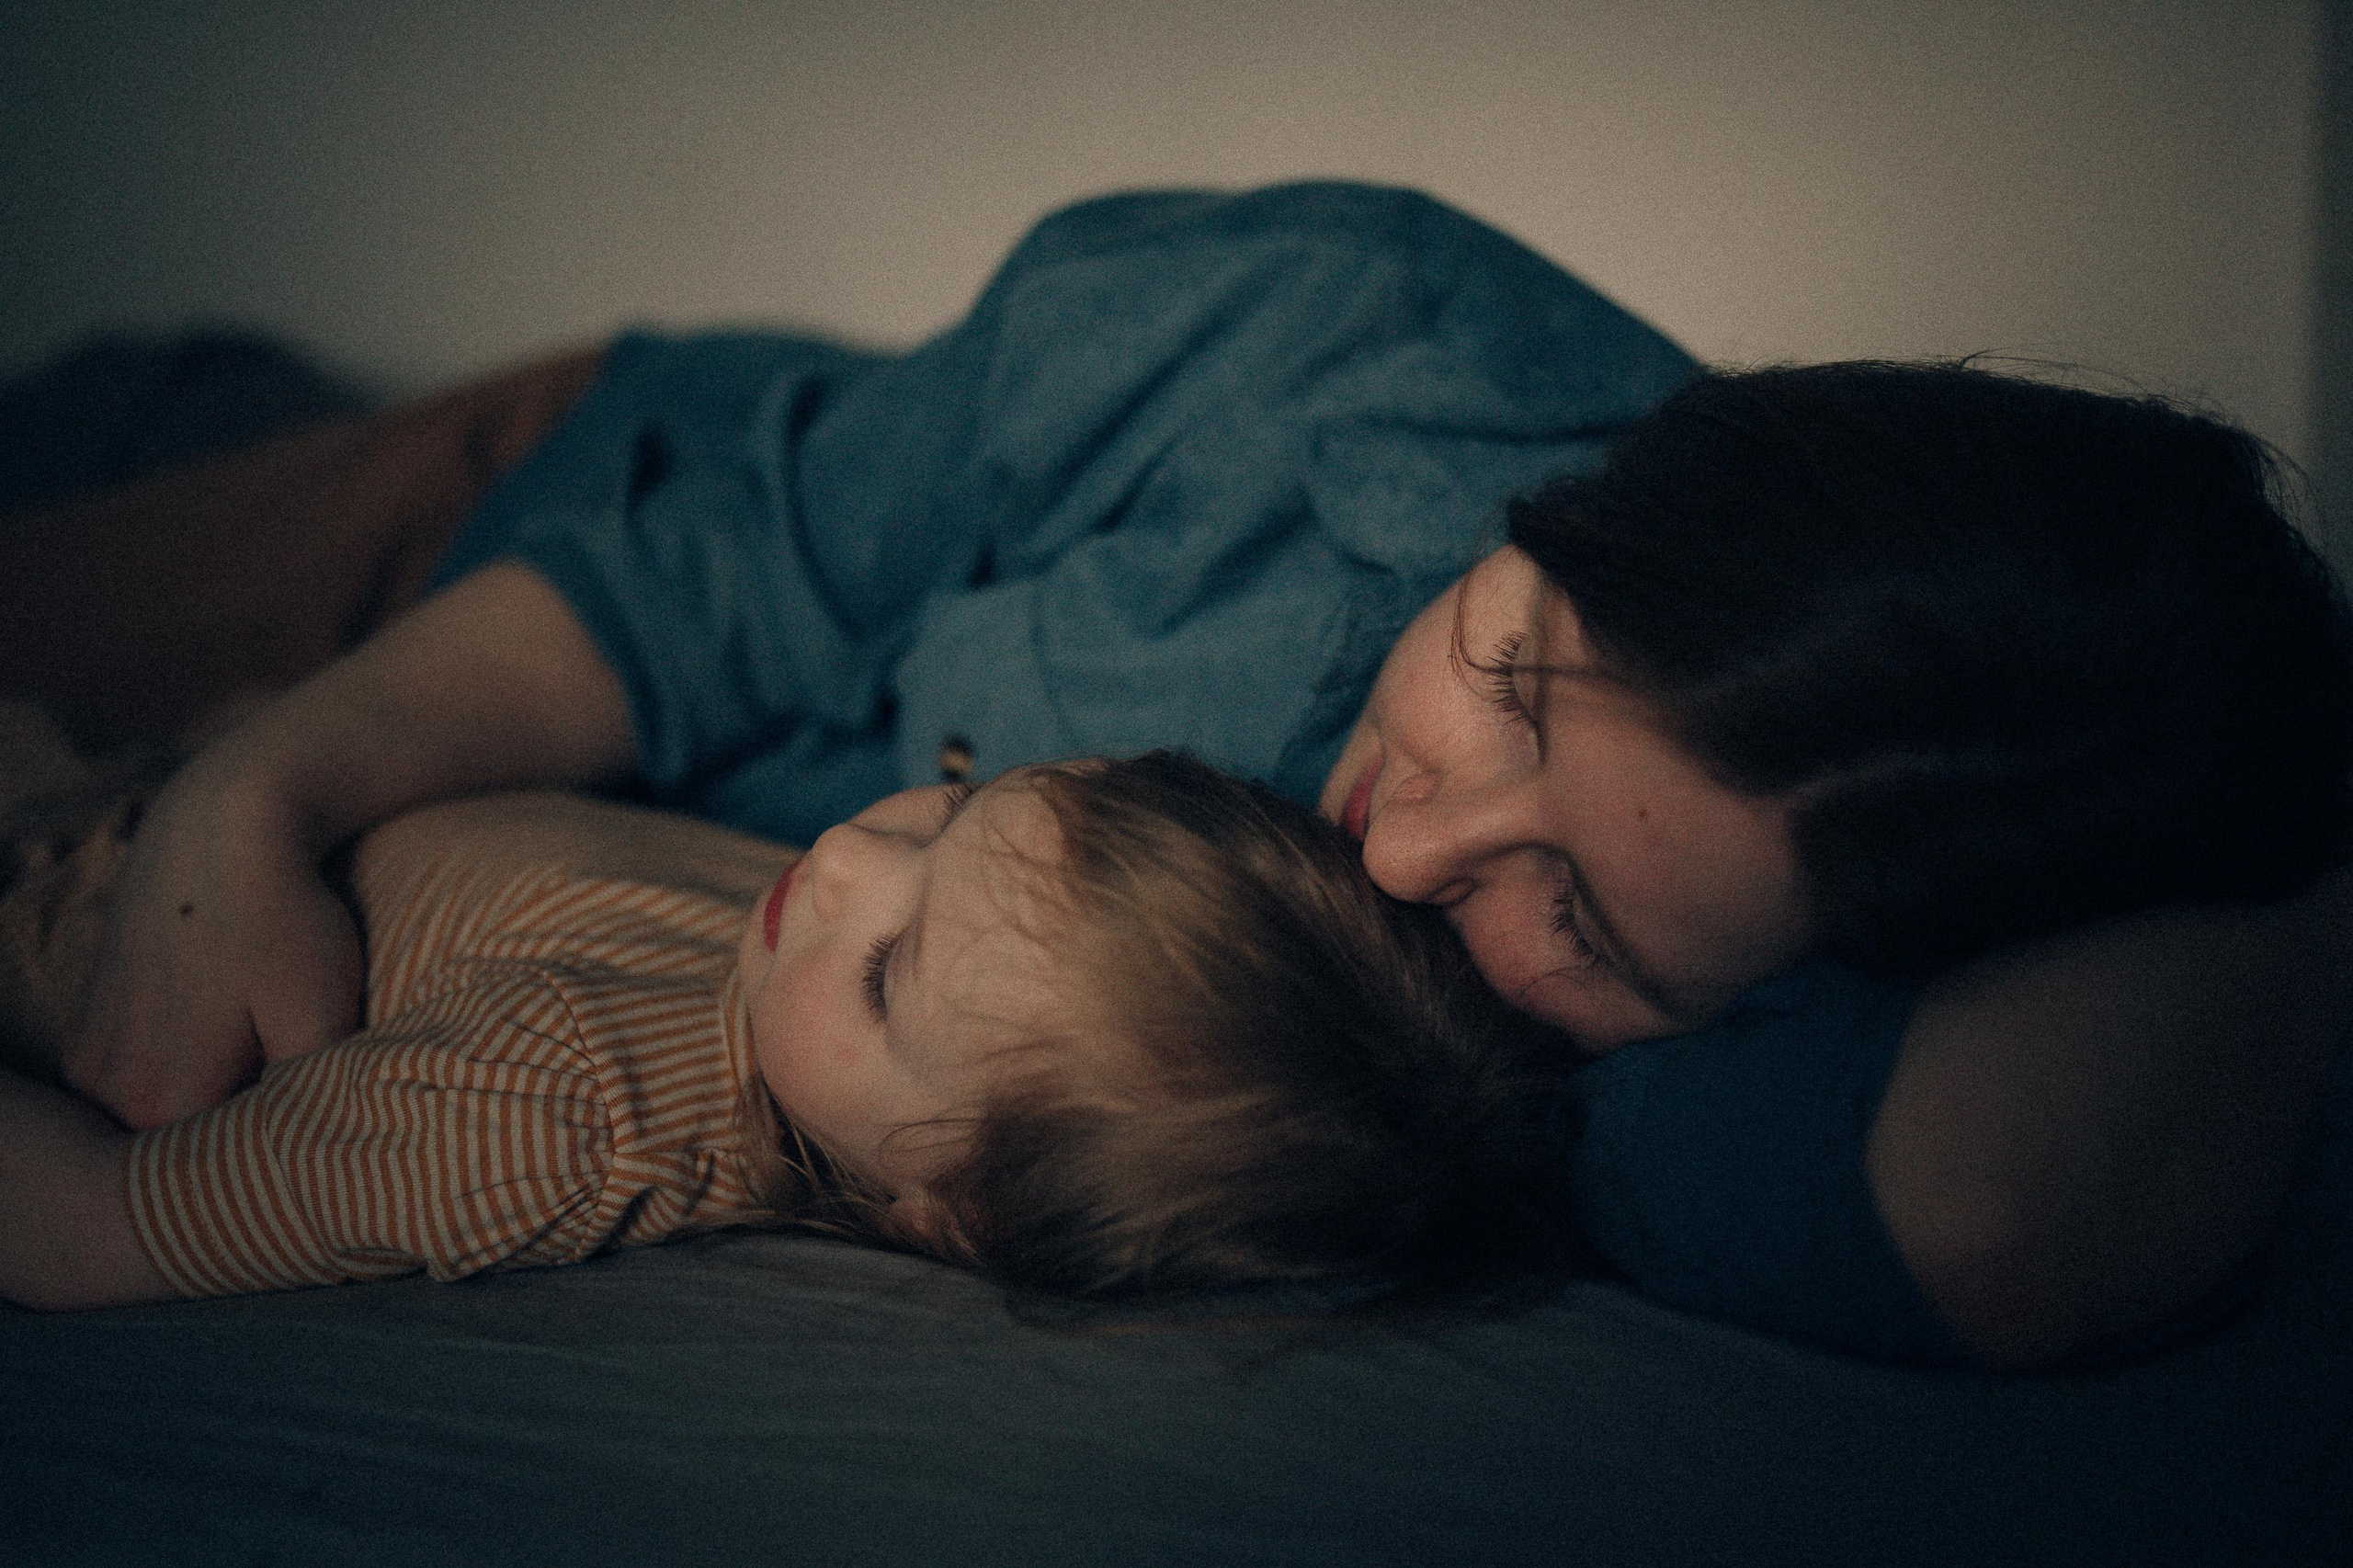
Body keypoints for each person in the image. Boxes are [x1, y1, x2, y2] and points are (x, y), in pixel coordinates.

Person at [6, 182, 2347, 1365]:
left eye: (1591, 922)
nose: (1409, 847)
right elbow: (714, 576)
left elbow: (2034, 1208)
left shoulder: (1528, 1057)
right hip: (541, 521)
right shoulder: (1330, 328)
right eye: (1498, 670)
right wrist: (251, 802)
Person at [0, 746, 1553, 1310]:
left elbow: (79, 1233)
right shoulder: (813, 972)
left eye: (889, 971)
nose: (850, 862)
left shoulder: (544, 1111)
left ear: (945, 1212)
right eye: (949, 811)